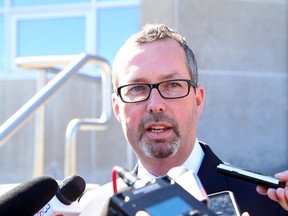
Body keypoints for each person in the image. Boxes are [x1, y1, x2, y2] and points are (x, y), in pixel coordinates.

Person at [79, 24, 288, 215]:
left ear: (197, 101)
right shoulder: (94, 208)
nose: (155, 104)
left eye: (172, 85)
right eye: (137, 88)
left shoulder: (269, 203)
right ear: (117, 108)